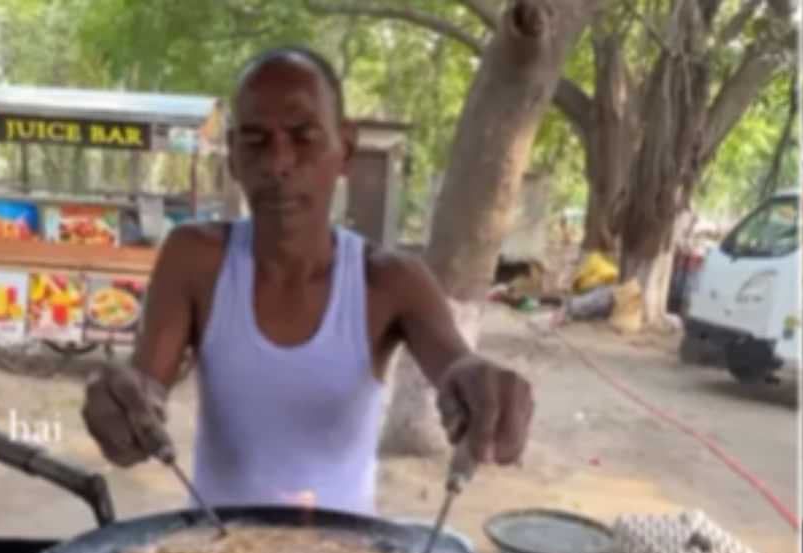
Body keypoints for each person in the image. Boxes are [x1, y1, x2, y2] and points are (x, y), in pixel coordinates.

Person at [81, 46, 532, 513]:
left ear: (346, 151)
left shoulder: (390, 282)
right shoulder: (195, 260)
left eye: (304, 136)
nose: (279, 162)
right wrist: (124, 410)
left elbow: (456, 366)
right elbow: (146, 387)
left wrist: (480, 384)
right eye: (256, 140)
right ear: (233, 157)